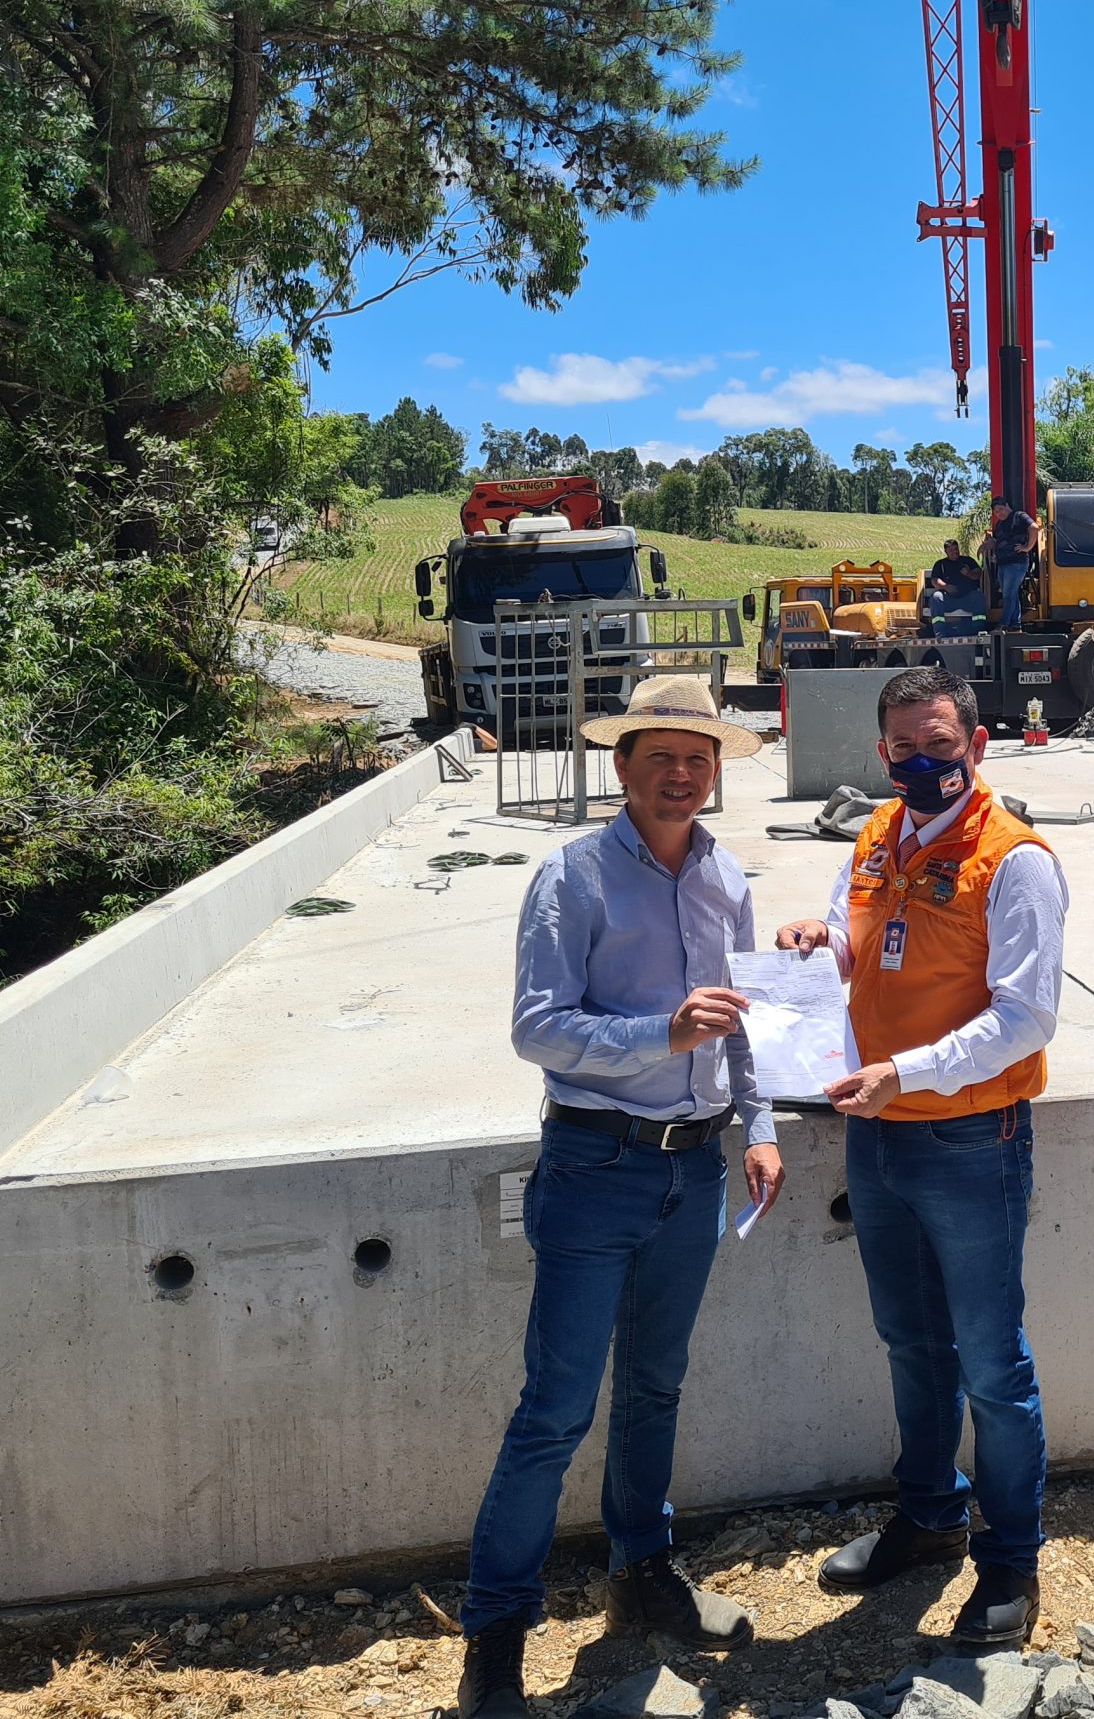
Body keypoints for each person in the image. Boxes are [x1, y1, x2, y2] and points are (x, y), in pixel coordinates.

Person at [456, 673, 782, 1719]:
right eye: (660, 758)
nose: (680, 775)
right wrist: (657, 1036)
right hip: (595, 1168)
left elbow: (740, 1022)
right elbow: (535, 1029)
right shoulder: (576, 878)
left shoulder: (727, 876)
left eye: (697, 758)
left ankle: (643, 1575)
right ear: (623, 767)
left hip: (692, 1170)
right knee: (554, 1409)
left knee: (655, 1388)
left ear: (715, 769)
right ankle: (493, 1639)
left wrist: (760, 1128)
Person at [773, 664, 1068, 1646]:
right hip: (878, 1136)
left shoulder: (1015, 859)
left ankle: (1010, 1562)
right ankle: (931, 1518)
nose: (921, 762)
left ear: (976, 747)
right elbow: (863, 947)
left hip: (969, 1140)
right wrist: (823, 942)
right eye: (903, 748)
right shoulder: (873, 837)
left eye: (939, 745)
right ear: (881, 753)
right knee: (911, 1344)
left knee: (991, 1362)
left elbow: (1026, 1017)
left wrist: (910, 1073)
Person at [984, 498, 1035, 631]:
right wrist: (987, 545)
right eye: (996, 512)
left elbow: (1034, 527)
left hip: (1016, 563)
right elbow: (997, 542)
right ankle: (1015, 625)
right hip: (1002, 564)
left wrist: (1028, 547)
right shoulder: (1000, 525)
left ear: (1007, 505)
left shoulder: (1019, 516)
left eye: (1000, 509)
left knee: (1008, 594)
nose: (999, 513)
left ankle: (1004, 624)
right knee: (1012, 594)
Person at [922, 539, 984, 637]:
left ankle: (979, 631)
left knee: (978, 597)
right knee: (936, 597)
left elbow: (978, 573)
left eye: (956, 549)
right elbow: (935, 580)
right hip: (948, 599)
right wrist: (946, 587)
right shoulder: (940, 564)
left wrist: (969, 573)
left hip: (967, 598)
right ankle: (940, 633)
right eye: (950, 550)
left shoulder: (967, 561)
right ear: (946, 552)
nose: (954, 552)